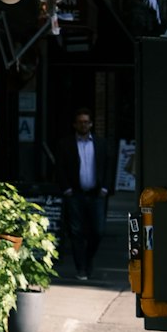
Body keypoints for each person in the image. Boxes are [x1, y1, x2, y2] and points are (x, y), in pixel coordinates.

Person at [56, 108, 113, 280]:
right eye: (80, 122)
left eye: (86, 122)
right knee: (76, 232)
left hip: (97, 194)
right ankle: (81, 267)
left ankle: (88, 260)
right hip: (75, 193)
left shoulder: (101, 143)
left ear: (91, 124)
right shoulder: (66, 144)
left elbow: (109, 166)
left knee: (98, 231)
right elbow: (60, 168)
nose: (83, 124)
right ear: (75, 125)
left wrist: (105, 188)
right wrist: (66, 189)